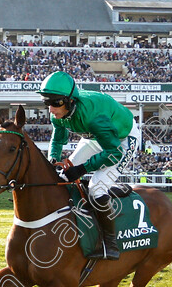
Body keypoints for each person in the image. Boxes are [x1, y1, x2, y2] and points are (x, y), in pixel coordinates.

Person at [38, 71, 141, 261]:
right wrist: (53, 158)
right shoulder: (57, 114)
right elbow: (58, 138)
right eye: (47, 102)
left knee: (96, 187)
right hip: (94, 137)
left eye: (56, 103)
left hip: (122, 140)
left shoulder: (94, 116)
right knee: (62, 178)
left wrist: (82, 169)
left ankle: (110, 244)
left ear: (70, 101)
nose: (51, 109)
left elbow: (114, 152)